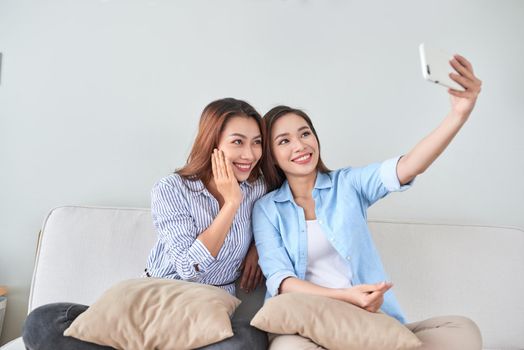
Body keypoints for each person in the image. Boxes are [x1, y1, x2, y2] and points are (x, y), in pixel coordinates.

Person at [253, 55, 483, 350]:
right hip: (306, 324)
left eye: (305, 133)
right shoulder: (267, 209)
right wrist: (346, 296)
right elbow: (281, 281)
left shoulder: (348, 184)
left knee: (462, 330)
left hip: (365, 321)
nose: (300, 145)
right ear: (271, 155)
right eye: (283, 141)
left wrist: (458, 114)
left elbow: (409, 166)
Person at [23, 98, 268, 350]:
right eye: (238, 141)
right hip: (153, 302)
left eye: (256, 142)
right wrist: (230, 205)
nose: (249, 154)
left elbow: (287, 207)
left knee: (250, 339)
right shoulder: (172, 189)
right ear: (212, 143)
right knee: (42, 322)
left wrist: (259, 245)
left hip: (205, 317)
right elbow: (188, 268)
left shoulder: (258, 189)